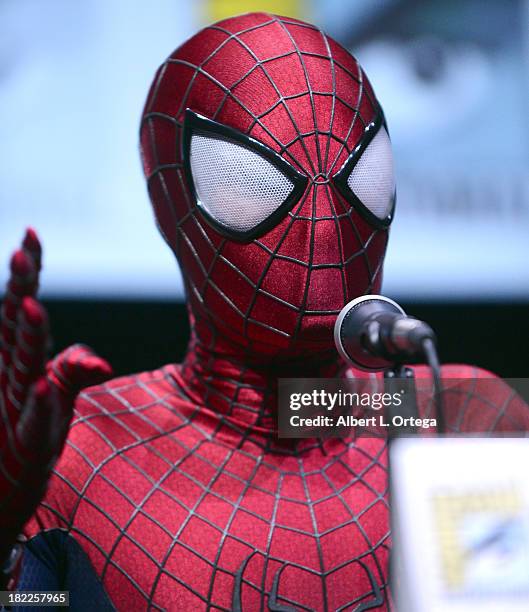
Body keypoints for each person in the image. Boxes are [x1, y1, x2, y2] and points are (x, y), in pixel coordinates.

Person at [1, 12, 527, 611]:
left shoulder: (459, 417)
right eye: (252, 181)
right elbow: (31, 607)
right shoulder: (84, 450)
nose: (323, 224)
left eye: (362, 173)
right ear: (171, 199)